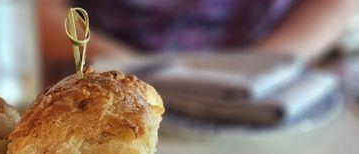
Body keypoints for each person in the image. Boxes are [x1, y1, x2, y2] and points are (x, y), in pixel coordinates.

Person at [39, 0, 357, 77]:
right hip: (99, 63)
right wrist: (129, 67)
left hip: (270, 64)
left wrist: (258, 70)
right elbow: (35, 11)